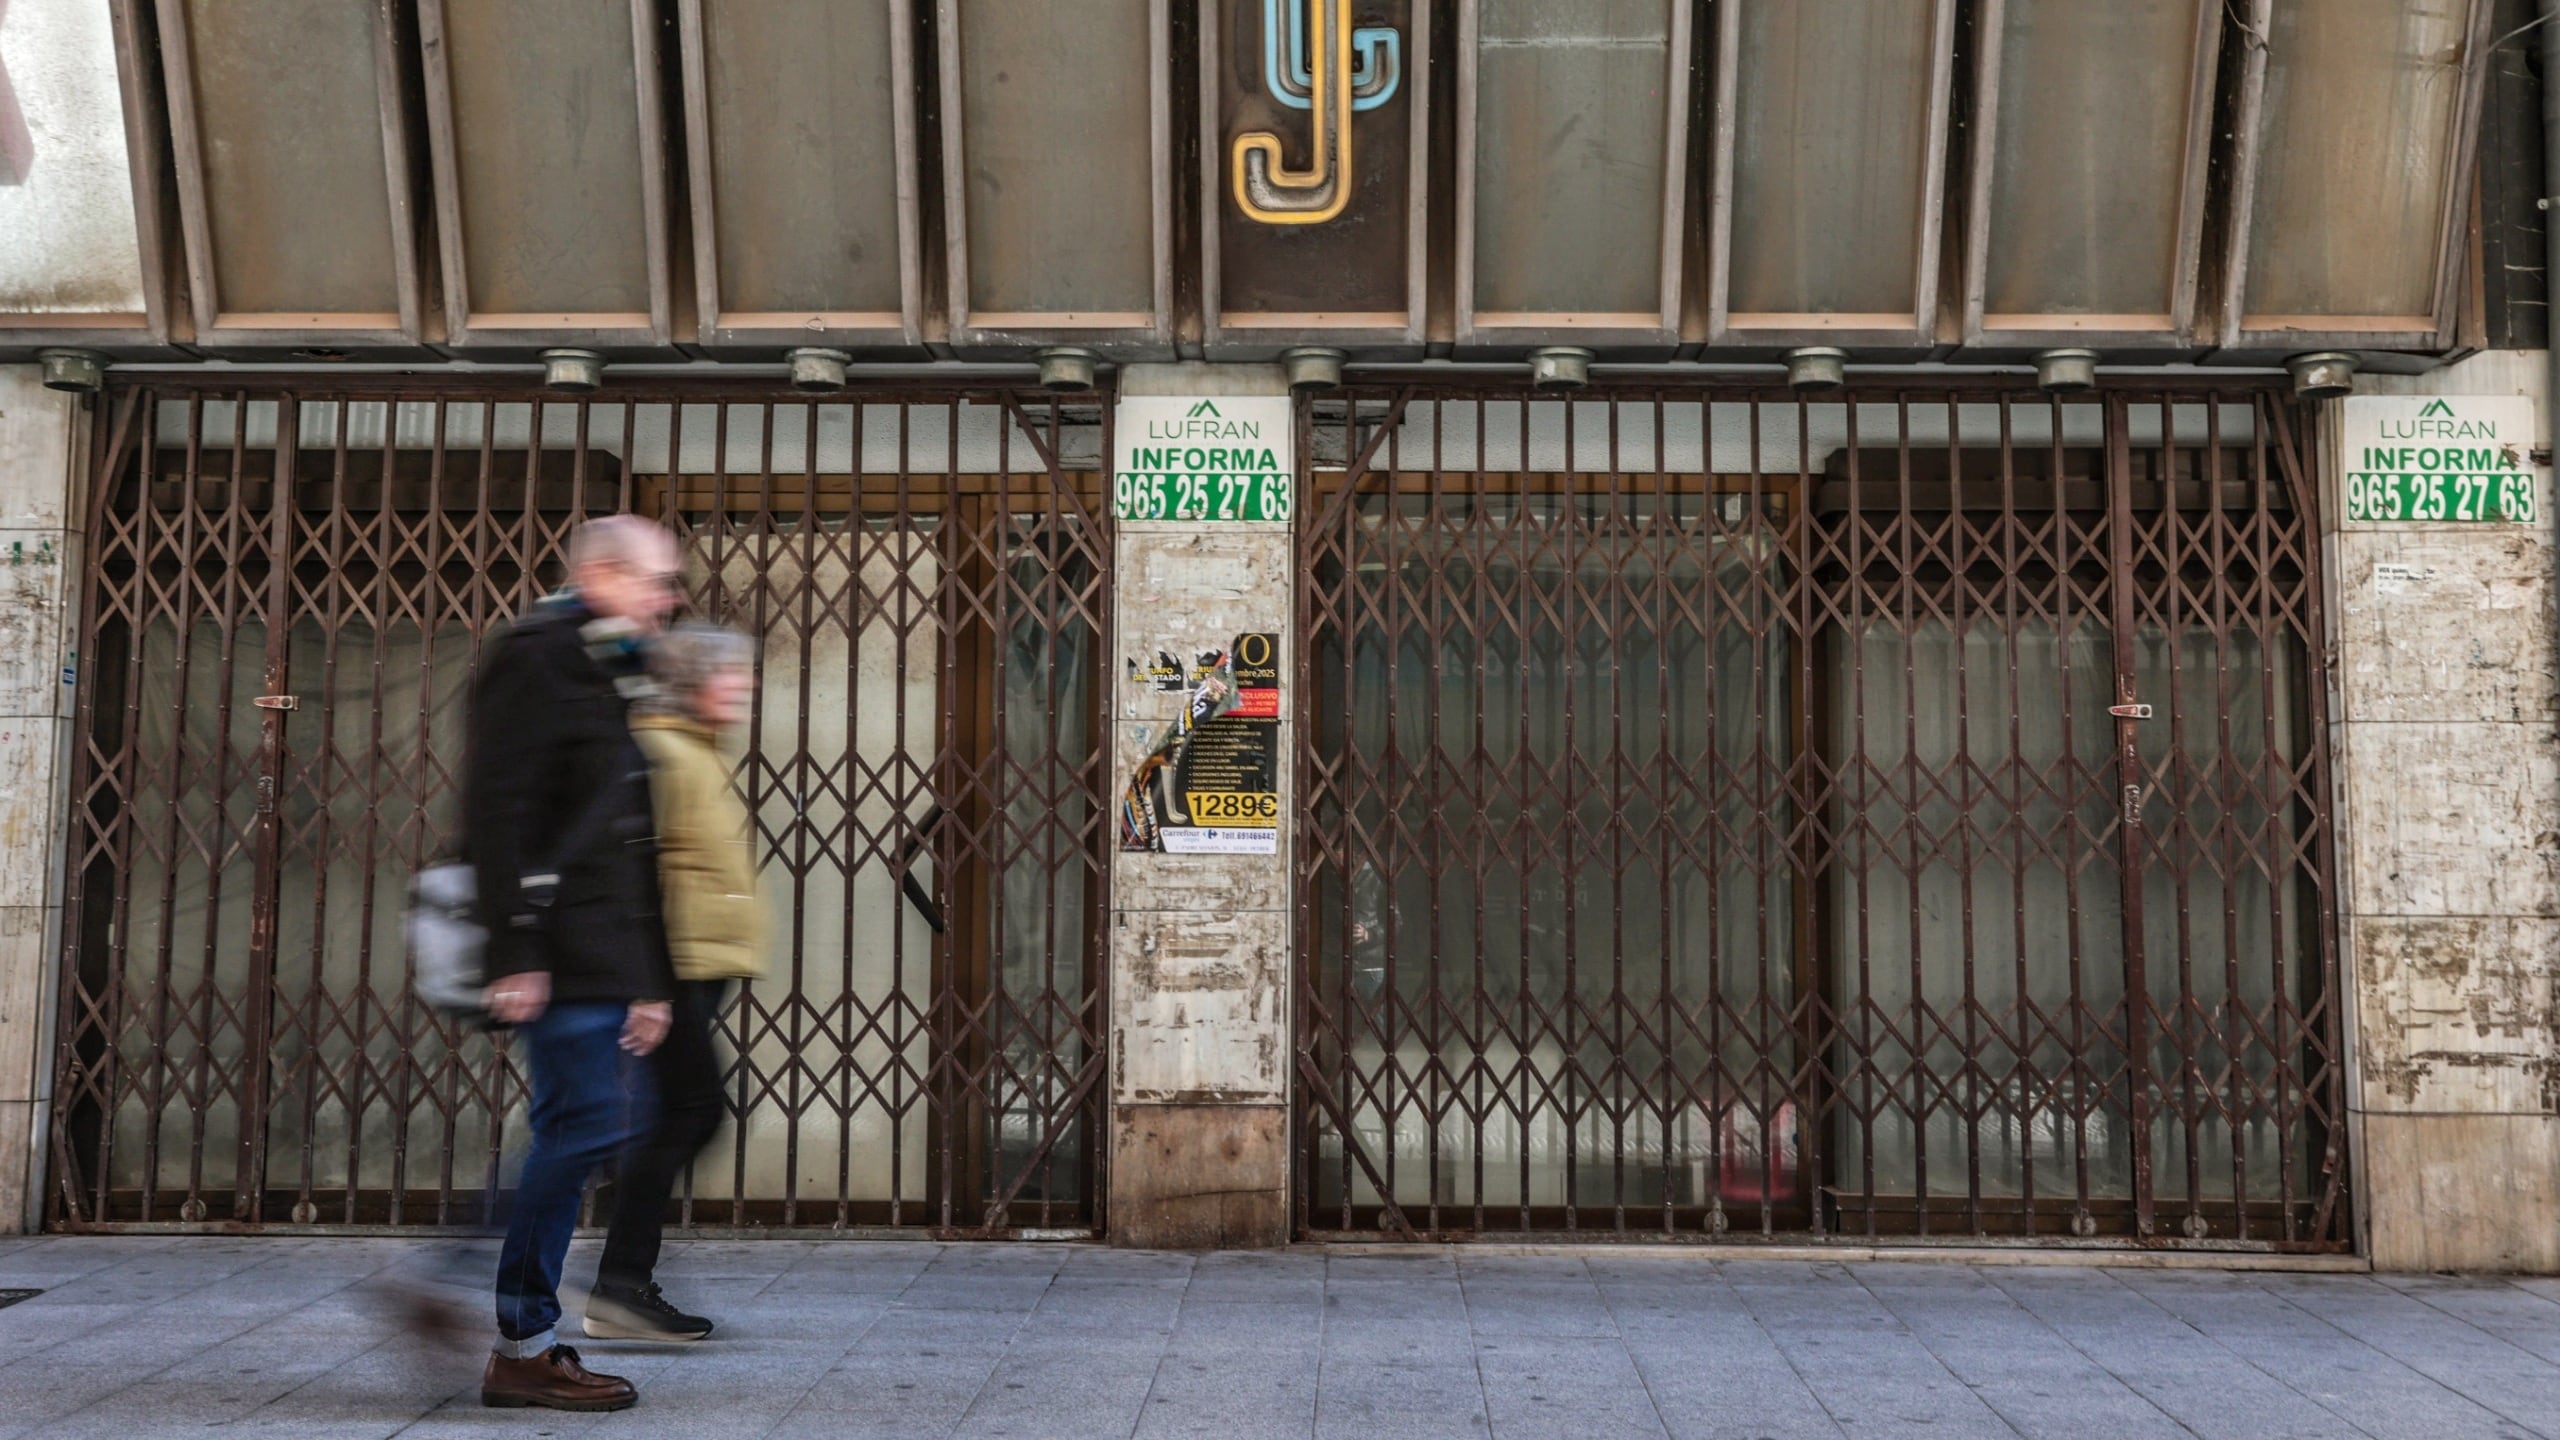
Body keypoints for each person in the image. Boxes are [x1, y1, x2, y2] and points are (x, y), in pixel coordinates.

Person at [464, 514, 683, 1412]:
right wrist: (514, 948)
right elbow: (498, 805)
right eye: (654, 581)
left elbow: (626, 834)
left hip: (599, 954)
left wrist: (648, 980)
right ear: (600, 573)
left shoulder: (605, 660)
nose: (667, 599)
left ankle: (507, 1316)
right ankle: (509, 1325)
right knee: (589, 1125)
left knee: (601, 1124)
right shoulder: (537, 654)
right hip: (555, 952)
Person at [585, 622, 767, 1342]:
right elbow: (638, 877)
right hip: (673, 969)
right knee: (693, 1113)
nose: (744, 688)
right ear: (696, 682)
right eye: (732, 676)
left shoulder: (695, 751)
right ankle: (620, 1281)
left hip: (698, 964)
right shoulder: (664, 753)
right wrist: (646, 985)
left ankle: (620, 1276)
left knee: (671, 1116)